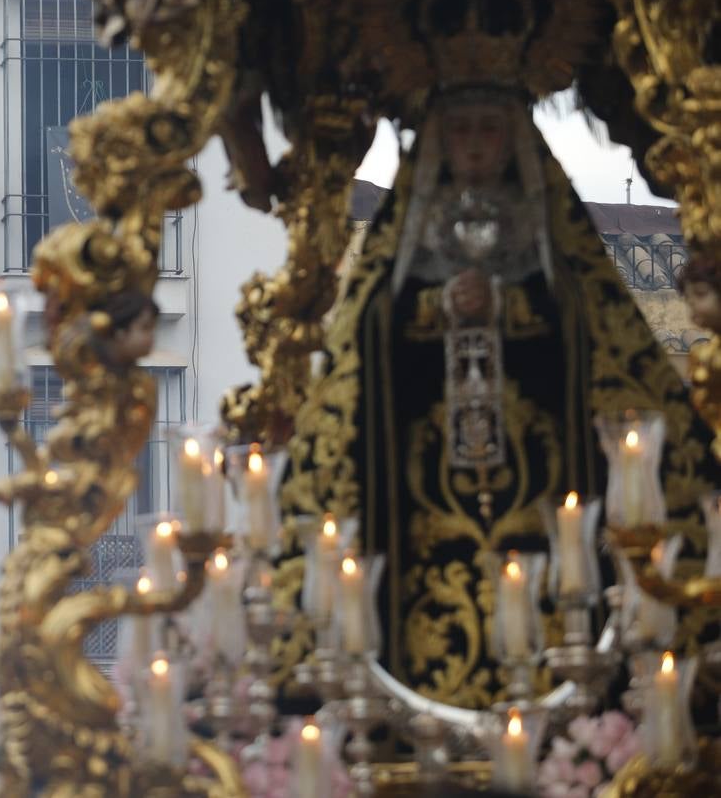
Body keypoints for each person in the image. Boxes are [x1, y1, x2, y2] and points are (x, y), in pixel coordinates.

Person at [284, 81, 721, 709]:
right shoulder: (403, 233)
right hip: (418, 510)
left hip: (545, 496)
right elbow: (365, 337)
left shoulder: (555, 238)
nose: (475, 147)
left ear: (513, 138)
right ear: (437, 143)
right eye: (460, 132)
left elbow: (596, 333)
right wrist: (434, 306)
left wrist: (511, 306)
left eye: (489, 130)